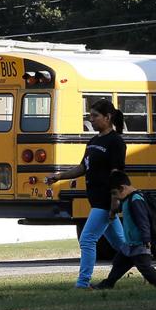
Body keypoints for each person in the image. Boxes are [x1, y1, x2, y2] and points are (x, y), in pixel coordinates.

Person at [45, 98, 127, 289]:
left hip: (105, 200)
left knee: (87, 240)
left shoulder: (115, 142)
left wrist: (115, 201)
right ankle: (151, 273)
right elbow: (83, 167)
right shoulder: (93, 141)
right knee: (123, 246)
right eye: (90, 116)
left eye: (95, 116)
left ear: (107, 117)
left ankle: (83, 283)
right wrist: (58, 176)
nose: (91, 120)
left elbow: (117, 174)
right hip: (96, 199)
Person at [91, 170, 156, 289]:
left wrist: (146, 238)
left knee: (145, 268)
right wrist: (113, 211)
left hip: (139, 243)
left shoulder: (136, 199)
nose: (115, 197)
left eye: (115, 193)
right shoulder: (127, 199)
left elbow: (143, 221)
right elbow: (120, 209)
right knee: (118, 264)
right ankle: (107, 284)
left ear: (122, 188)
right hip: (129, 244)